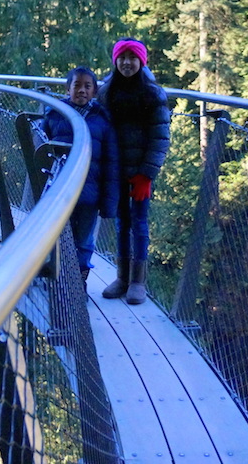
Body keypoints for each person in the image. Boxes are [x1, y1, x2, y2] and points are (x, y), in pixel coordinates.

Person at [98, 38, 171, 305]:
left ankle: (138, 282)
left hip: (140, 172)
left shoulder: (152, 94)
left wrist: (147, 174)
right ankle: (122, 278)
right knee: (122, 224)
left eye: (132, 57)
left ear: (141, 61)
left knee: (139, 223)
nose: (127, 63)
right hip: (116, 170)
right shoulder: (106, 92)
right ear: (115, 61)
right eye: (122, 57)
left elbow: (160, 137)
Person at [41, 67, 120, 286]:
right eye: (77, 85)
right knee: (56, 234)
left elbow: (111, 164)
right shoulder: (55, 115)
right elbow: (41, 148)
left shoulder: (103, 122)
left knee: (84, 240)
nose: (82, 90)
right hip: (60, 190)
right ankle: (57, 277)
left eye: (87, 86)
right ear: (68, 89)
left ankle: (78, 282)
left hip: (90, 193)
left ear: (95, 92)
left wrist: (109, 201)